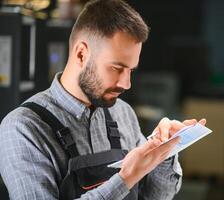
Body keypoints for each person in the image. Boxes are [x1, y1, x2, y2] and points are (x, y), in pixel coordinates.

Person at [0, 0, 206, 199]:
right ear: (81, 54)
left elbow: (154, 196)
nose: (126, 84)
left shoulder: (123, 113)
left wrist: (164, 152)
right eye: (117, 68)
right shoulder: (23, 128)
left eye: (130, 70)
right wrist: (125, 178)